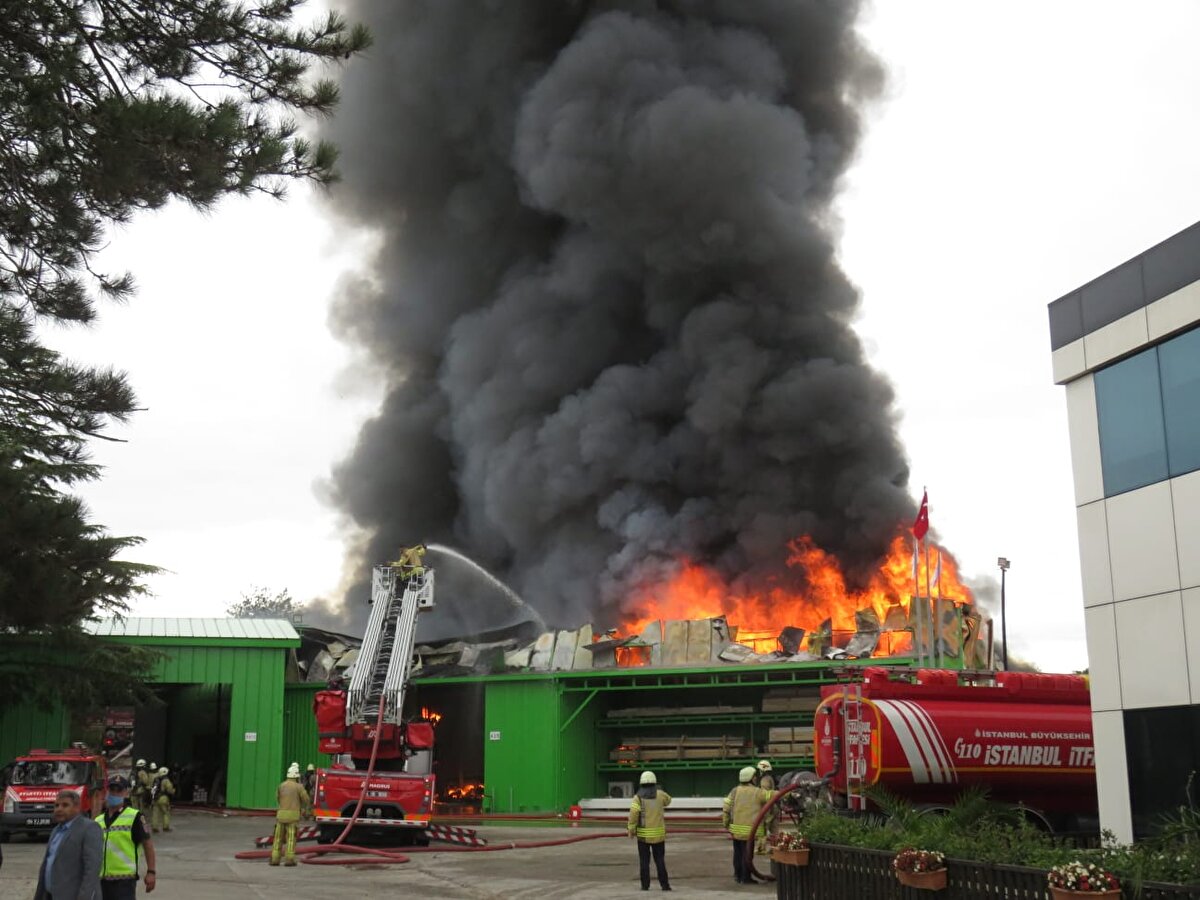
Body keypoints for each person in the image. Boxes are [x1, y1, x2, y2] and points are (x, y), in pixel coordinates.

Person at [34, 789, 102, 900]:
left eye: (65, 805)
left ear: (77, 807)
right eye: (56, 805)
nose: (59, 809)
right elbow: (48, 864)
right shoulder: (56, 830)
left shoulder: (89, 828)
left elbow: (92, 870)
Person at [97, 774, 157, 898]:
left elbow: (148, 844)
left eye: (119, 790)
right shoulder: (99, 820)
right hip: (101, 880)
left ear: (126, 793)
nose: (114, 793)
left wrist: (151, 871)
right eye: (111, 790)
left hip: (124, 881)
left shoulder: (135, 817)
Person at [722, 767, 773, 885]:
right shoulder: (757, 792)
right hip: (750, 832)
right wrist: (788, 793)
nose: (756, 778)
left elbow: (726, 807)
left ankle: (738, 875)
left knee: (738, 854)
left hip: (735, 831)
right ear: (751, 778)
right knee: (747, 855)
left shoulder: (734, 791)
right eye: (755, 777)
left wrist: (726, 823)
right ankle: (746, 878)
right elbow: (771, 795)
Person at [627, 770, 671, 892]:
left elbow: (633, 814)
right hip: (659, 836)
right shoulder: (661, 794)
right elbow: (669, 801)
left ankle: (645, 886)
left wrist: (631, 829)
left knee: (644, 862)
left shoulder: (638, 798)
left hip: (643, 837)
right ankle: (665, 885)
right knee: (660, 861)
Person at [271, 763, 311, 867]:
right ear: (297, 776)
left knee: (278, 838)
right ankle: (289, 859)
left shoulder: (281, 785)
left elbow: (277, 798)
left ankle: (275, 859)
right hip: (293, 817)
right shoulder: (299, 787)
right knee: (291, 838)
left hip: (281, 816)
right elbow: (306, 799)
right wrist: (307, 810)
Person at [753, 760, 777, 855]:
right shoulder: (770, 778)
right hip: (774, 806)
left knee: (762, 828)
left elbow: (764, 794)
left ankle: (761, 848)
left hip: (767, 808)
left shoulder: (764, 780)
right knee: (774, 829)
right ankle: (775, 847)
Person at [150, 768, 174, 834]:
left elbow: (152, 790)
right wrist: (173, 791)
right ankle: (165, 827)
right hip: (163, 798)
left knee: (155, 813)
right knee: (165, 812)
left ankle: (155, 828)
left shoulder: (156, 780)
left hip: (155, 798)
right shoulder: (166, 780)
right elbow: (169, 789)